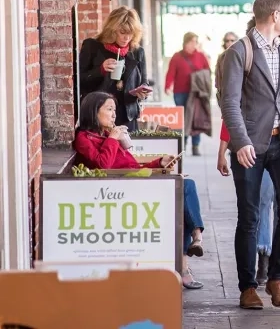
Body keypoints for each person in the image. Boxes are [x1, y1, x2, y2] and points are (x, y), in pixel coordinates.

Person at [219, 0, 280, 310]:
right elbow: (229, 102)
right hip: (251, 146)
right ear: (275, 15)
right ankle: (247, 287)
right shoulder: (239, 52)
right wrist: (240, 142)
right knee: (250, 216)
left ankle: (276, 278)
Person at [72, 91, 207, 290]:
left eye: (114, 110)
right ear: (93, 112)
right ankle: (189, 253)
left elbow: (132, 166)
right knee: (184, 188)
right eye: (109, 109)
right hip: (121, 192)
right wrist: (113, 139)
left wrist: (158, 162)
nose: (114, 114)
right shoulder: (84, 138)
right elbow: (103, 165)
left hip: (134, 182)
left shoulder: (107, 135)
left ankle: (194, 243)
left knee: (184, 187)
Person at [78, 6, 152, 131]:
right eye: (122, 32)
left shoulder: (137, 52)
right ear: (112, 30)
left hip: (127, 116)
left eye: (130, 33)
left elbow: (144, 82)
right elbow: (79, 81)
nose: (126, 38)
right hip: (98, 116)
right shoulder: (92, 46)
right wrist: (100, 70)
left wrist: (142, 94)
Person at [165, 32, 211, 155]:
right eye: (191, 41)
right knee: (183, 119)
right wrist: (168, 86)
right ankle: (183, 144)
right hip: (181, 92)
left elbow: (207, 72)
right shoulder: (177, 57)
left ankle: (195, 146)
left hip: (196, 93)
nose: (194, 44)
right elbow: (171, 73)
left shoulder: (201, 56)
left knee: (196, 119)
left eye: (195, 42)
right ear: (185, 42)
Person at [215, 32, 239, 101]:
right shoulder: (221, 57)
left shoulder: (241, 55)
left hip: (239, 93)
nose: (229, 42)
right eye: (227, 41)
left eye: (232, 40)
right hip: (225, 94)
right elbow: (218, 77)